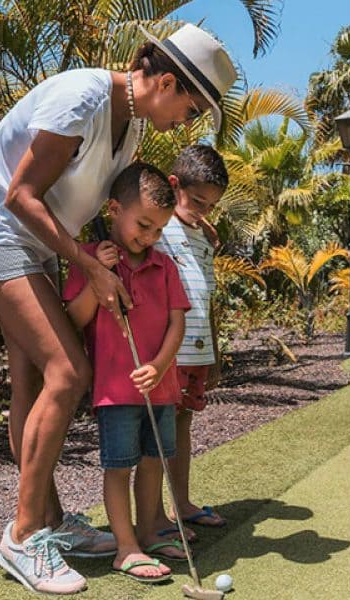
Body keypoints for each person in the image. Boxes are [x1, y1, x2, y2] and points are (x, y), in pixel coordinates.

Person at [0, 23, 237, 594]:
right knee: (69, 370)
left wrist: (183, 225)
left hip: (39, 247)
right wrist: (88, 263)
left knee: (33, 383)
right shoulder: (82, 98)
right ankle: (23, 536)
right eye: (191, 108)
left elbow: (122, 207)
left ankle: (51, 522)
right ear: (165, 82)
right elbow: (19, 196)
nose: (187, 123)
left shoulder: (131, 126)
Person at [63, 162, 190, 583]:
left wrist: (159, 366)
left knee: (154, 462)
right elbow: (75, 318)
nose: (150, 237)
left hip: (161, 386)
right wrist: (96, 275)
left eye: (159, 230)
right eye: (143, 225)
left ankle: (149, 530)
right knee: (119, 467)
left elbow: (177, 323)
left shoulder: (164, 266)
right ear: (114, 209)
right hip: (116, 391)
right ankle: (125, 547)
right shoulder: (87, 258)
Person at [154, 145, 229, 540]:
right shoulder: (157, 227)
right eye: (197, 201)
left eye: (211, 206)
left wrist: (213, 355)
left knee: (182, 425)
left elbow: (207, 296)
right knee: (156, 432)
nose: (202, 211)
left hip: (196, 350)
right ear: (174, 185)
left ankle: (180, 503)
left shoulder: (203, 238)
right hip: (164, 352)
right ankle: (153, 515)